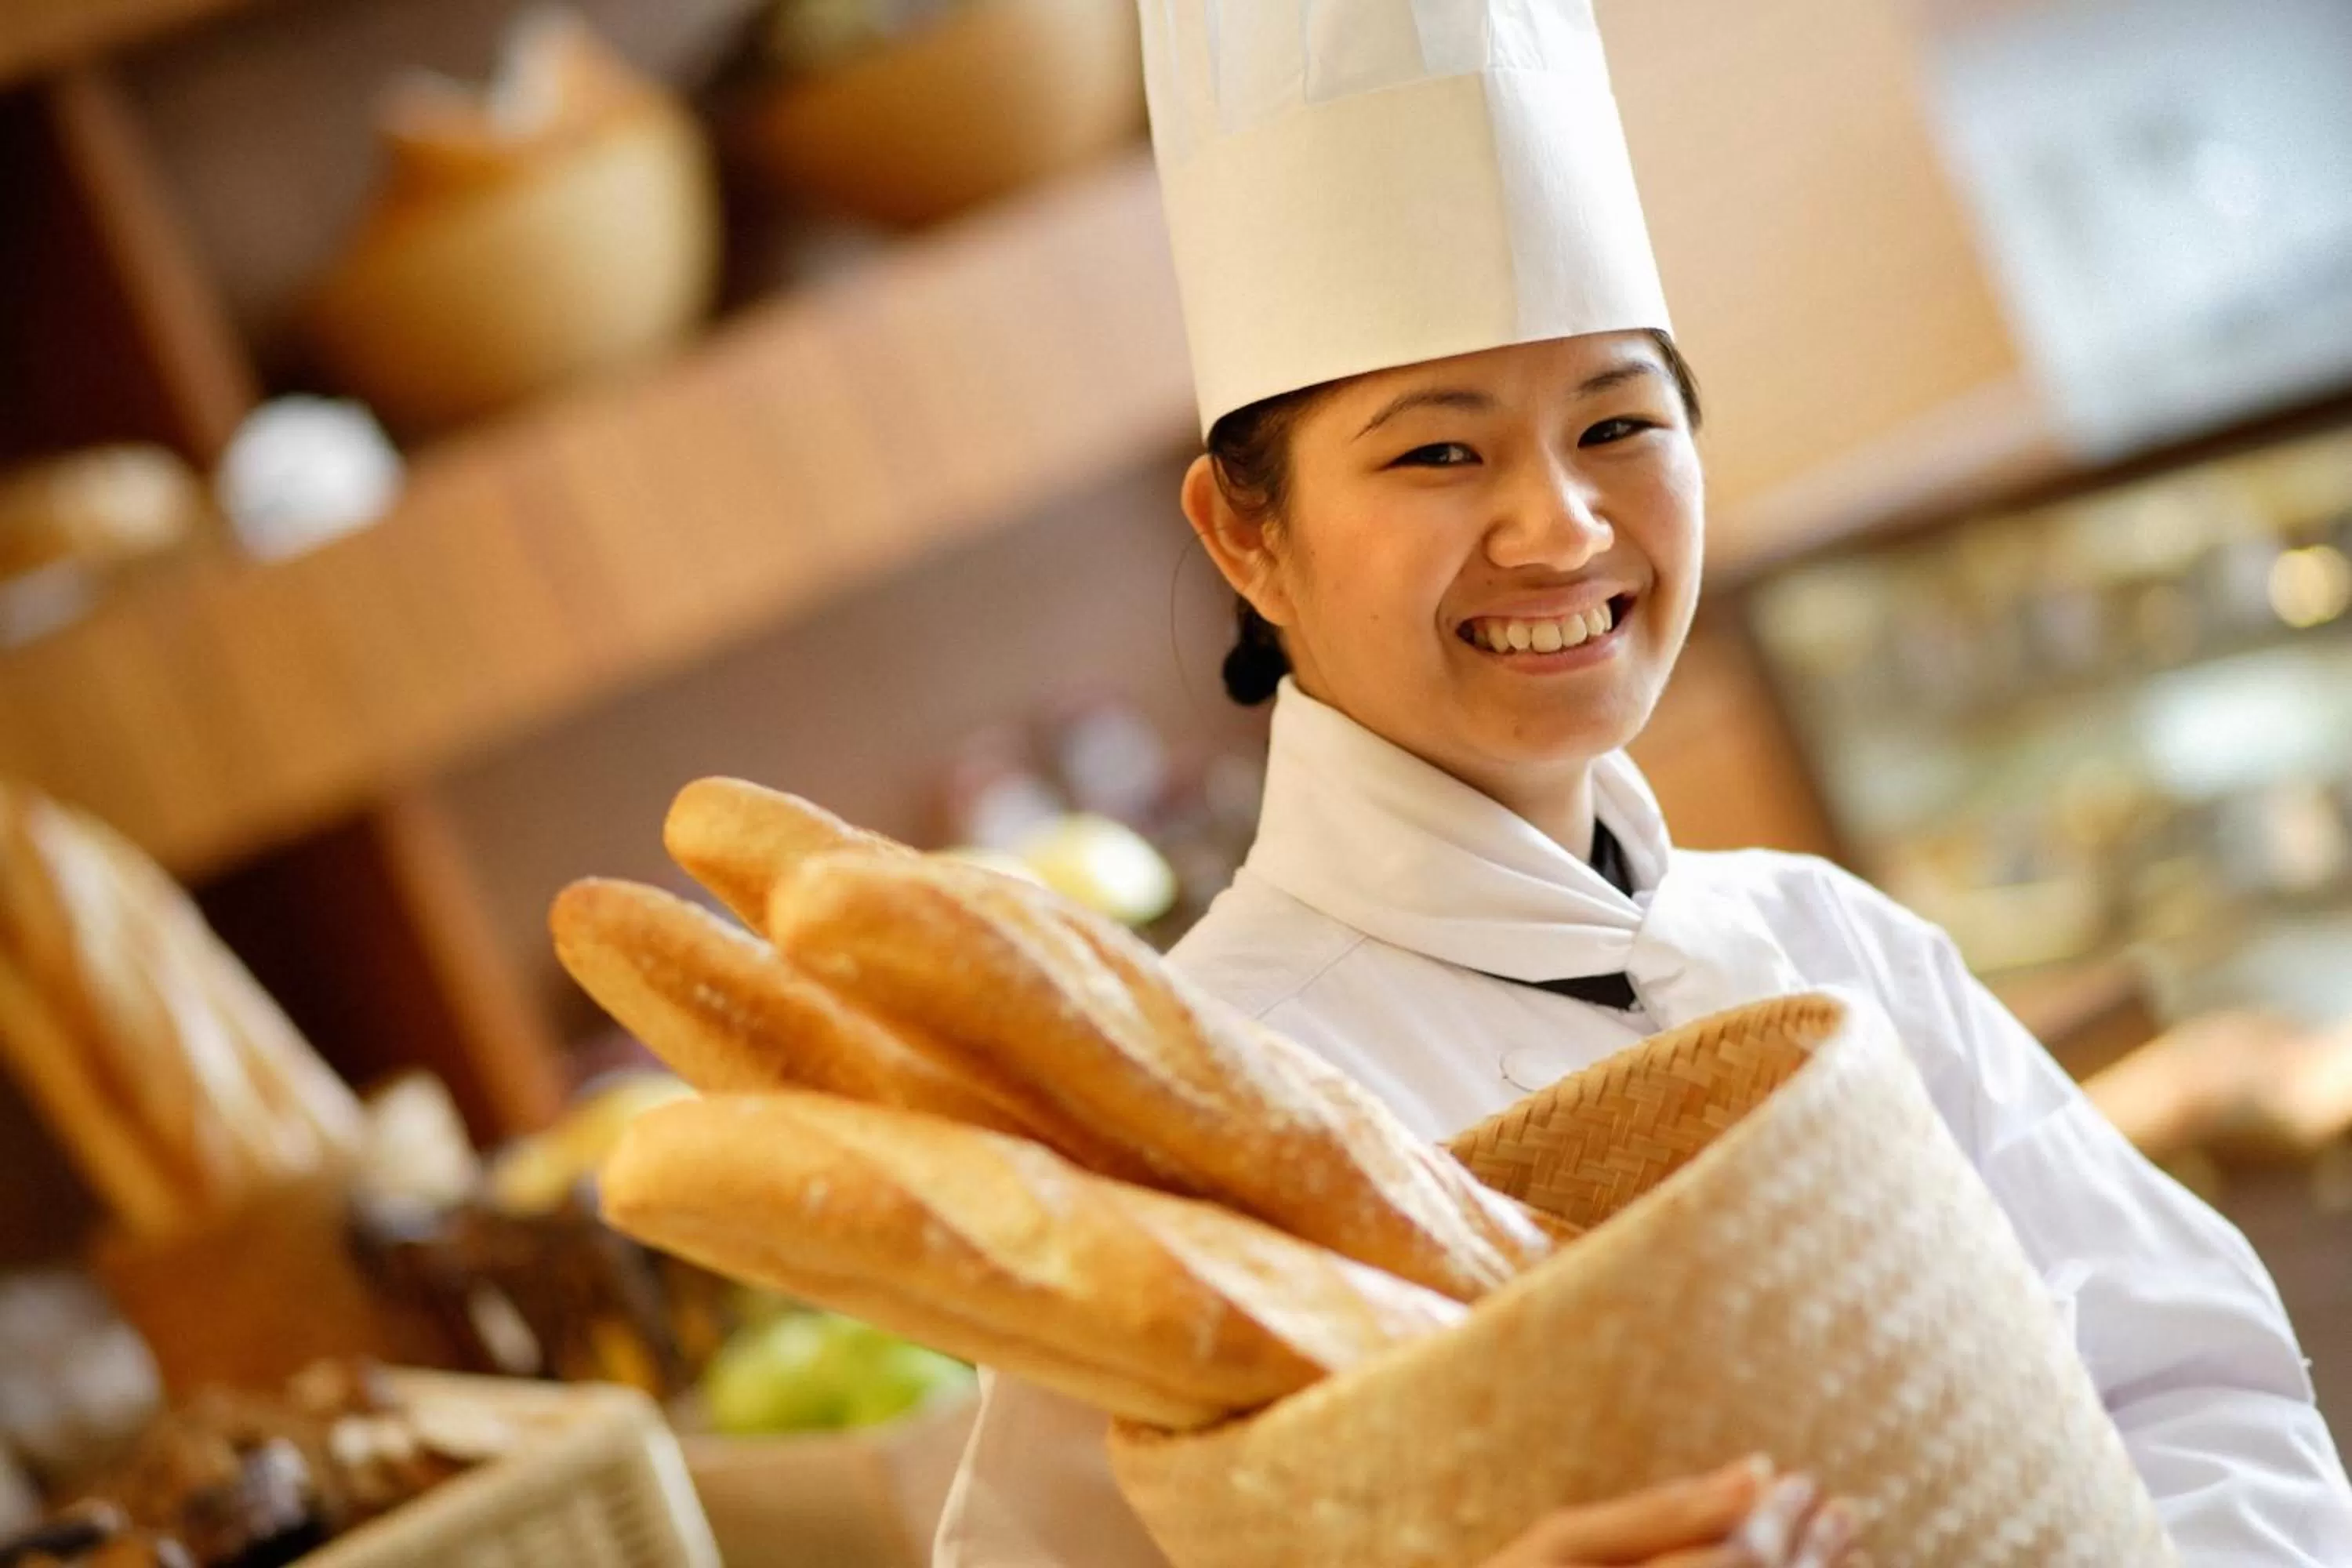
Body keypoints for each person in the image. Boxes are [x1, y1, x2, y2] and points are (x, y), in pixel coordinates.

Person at [934, 2, 2352, 1563]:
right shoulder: (1192, 1123)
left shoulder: (1831, 939)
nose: (1560, 530)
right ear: (1243, 536)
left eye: (1616, 421)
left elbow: (2204, 1386)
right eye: (1439, 454)